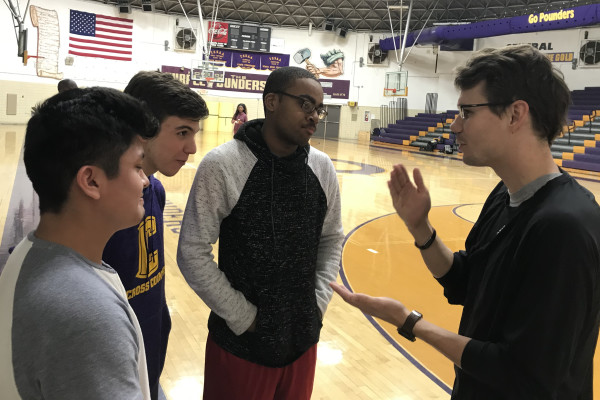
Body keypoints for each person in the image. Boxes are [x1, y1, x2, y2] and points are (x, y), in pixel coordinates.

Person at [331, 44, 600, 399]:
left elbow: (528, 375)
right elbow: (464, 284)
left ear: (516, 114)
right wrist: (420, 228)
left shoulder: (564, 226)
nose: (455, 126)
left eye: (467, 112)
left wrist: (410, 322)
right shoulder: (504, 196)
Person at [177, 66, 344, 400]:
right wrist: (246, 318)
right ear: (272, 101)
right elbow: (192, 251)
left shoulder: (322, 167)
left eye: (319, 109)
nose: (314, 117)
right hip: (241, 347)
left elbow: (332, 238)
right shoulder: (223, 164)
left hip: (302, 342)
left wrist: (317, 303)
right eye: (305, 105)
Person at [0, 87, 159, 399]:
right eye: (139, 166)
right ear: (91, 181)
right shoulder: (85, 314)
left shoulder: (30, 252)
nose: (146, 181)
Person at [102, 71, 209, 400]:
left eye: (193, 133)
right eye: (182, 132)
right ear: (143, 129)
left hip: (151, 341)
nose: (192, 147)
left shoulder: (156, 191)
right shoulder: (103, 206)